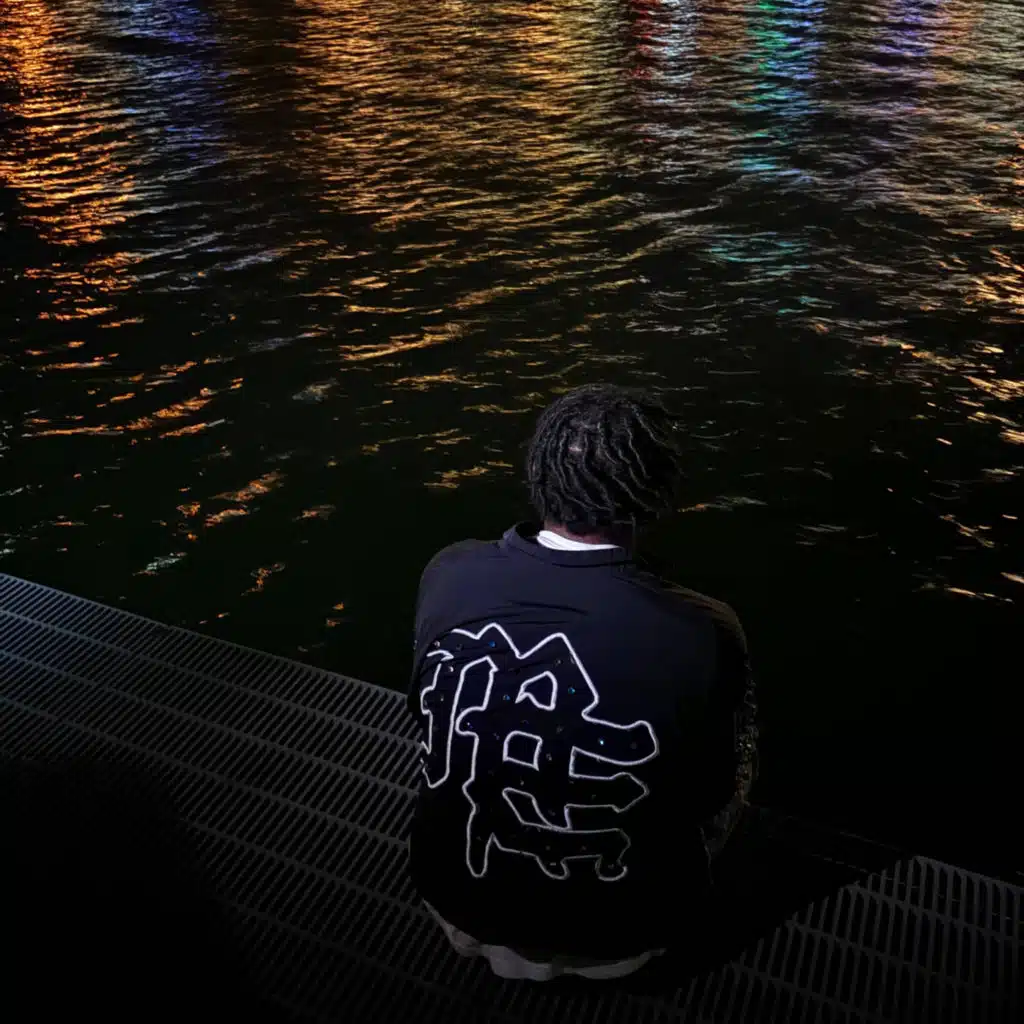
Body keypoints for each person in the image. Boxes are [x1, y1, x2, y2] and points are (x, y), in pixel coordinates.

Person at [406, 383, 757, 982]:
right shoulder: (704, 629)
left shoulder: (449, 572)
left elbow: (422, 708)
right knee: (736, 746)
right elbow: (710, 790)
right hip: (618, 940)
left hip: (453, 902)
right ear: (656, 494)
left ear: (537, 473)